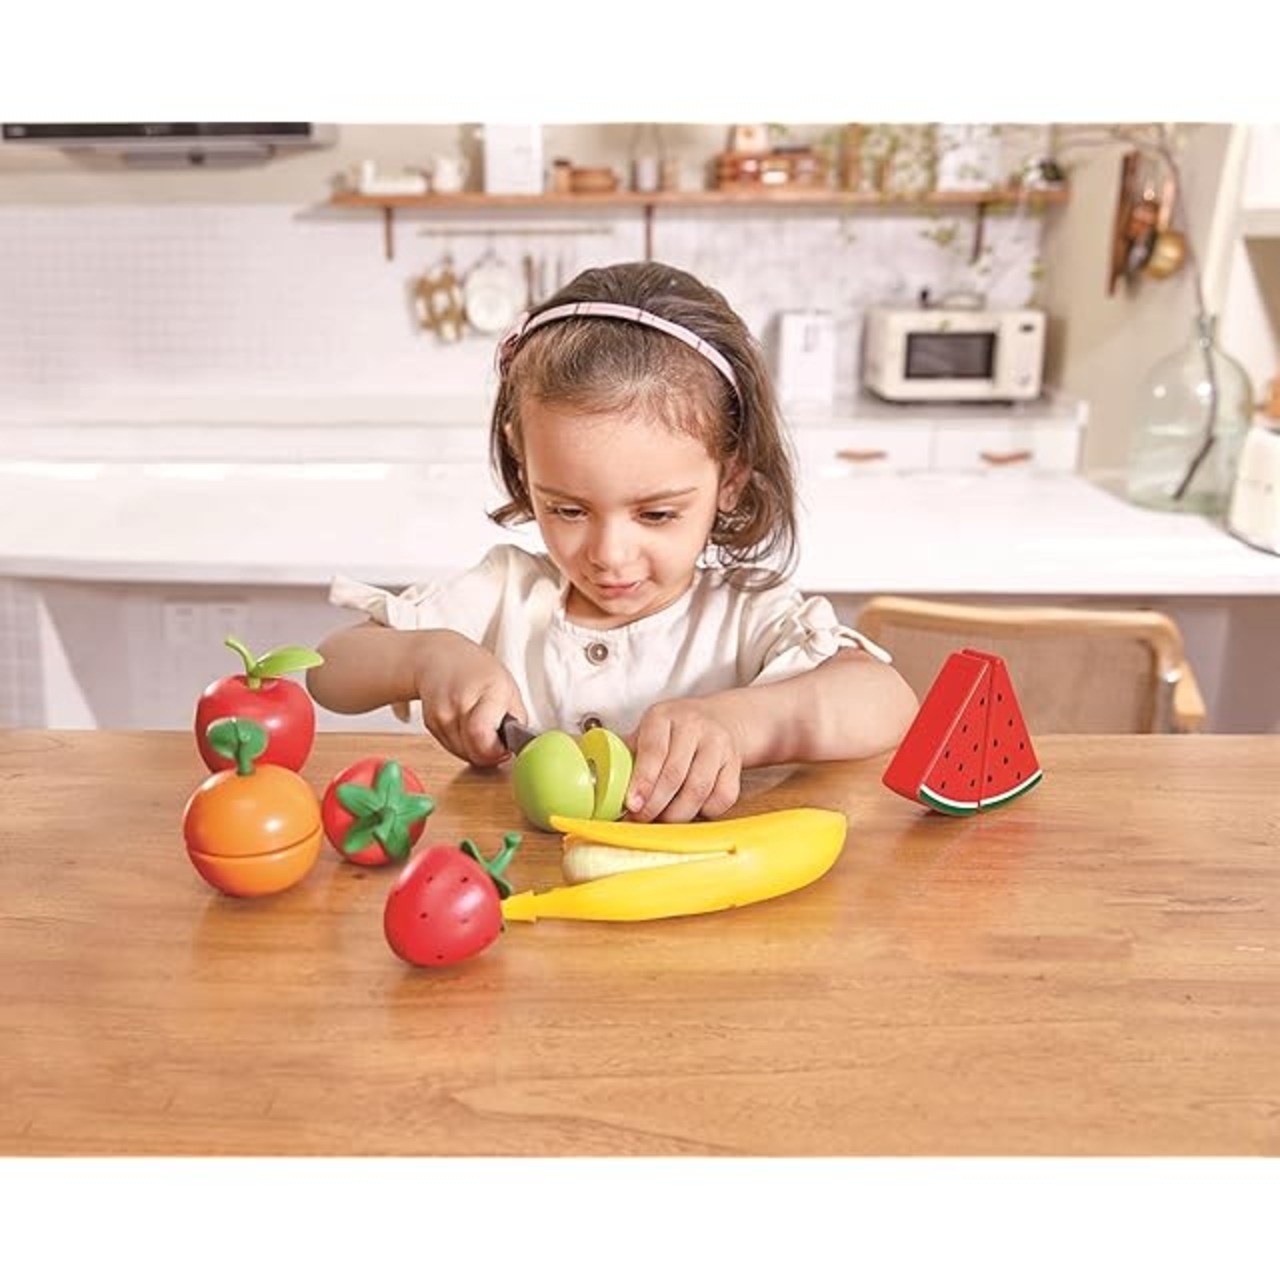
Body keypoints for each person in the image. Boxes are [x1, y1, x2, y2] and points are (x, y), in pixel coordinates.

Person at [309, 261, 918, 823]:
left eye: (656, 514)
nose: (608, 554)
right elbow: (328, 671)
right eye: (568, 509)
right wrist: (425, 659)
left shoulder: (747, 614)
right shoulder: (503, 594)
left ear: (729, 481)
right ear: (523, 464)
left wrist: (738, 726)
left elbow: (886, 700)